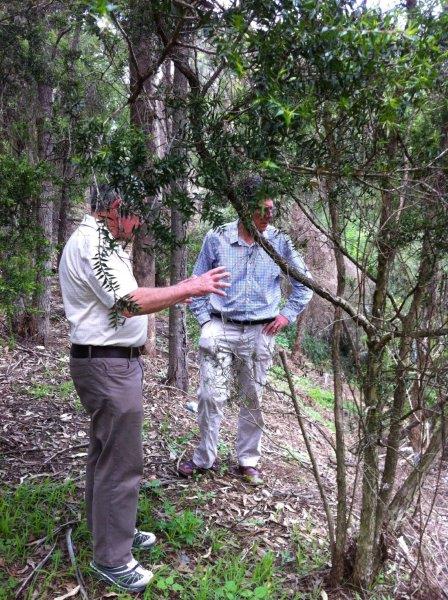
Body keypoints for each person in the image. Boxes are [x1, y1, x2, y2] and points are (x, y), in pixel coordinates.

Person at [58, 184, 229, 593]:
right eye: (135, 217)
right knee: (120, 461)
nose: (138, 227)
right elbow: (130, 302)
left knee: (106, 453)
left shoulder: (105, 241)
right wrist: (191, 287)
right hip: (106, 366)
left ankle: (111, 530)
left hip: (112, 363)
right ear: (115, 208)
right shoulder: (92, 244)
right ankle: (112, 559)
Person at [178, 176, 313, 486]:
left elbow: (305, 282)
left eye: (272, 210)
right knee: (210, 395)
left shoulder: (280, 241)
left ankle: (248, 460)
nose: (268, 216)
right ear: (243, 208)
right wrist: (205, 320)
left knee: (253, 398)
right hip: (220, 326)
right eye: (262, 210)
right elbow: (197, 282)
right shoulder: (217, 238)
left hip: (260, 332)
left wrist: (287, 315)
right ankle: (204, 458)